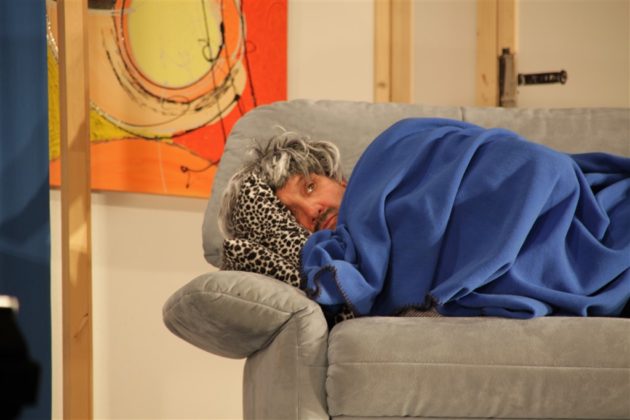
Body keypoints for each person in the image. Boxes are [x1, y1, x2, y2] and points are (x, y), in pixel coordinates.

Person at [220, 119, 630, 320]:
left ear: (337, 178)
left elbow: (517, 165)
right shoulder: (336, 259)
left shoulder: (391, 159)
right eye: (293, 216)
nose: (312, 211)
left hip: (568, 202)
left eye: (310, 188)